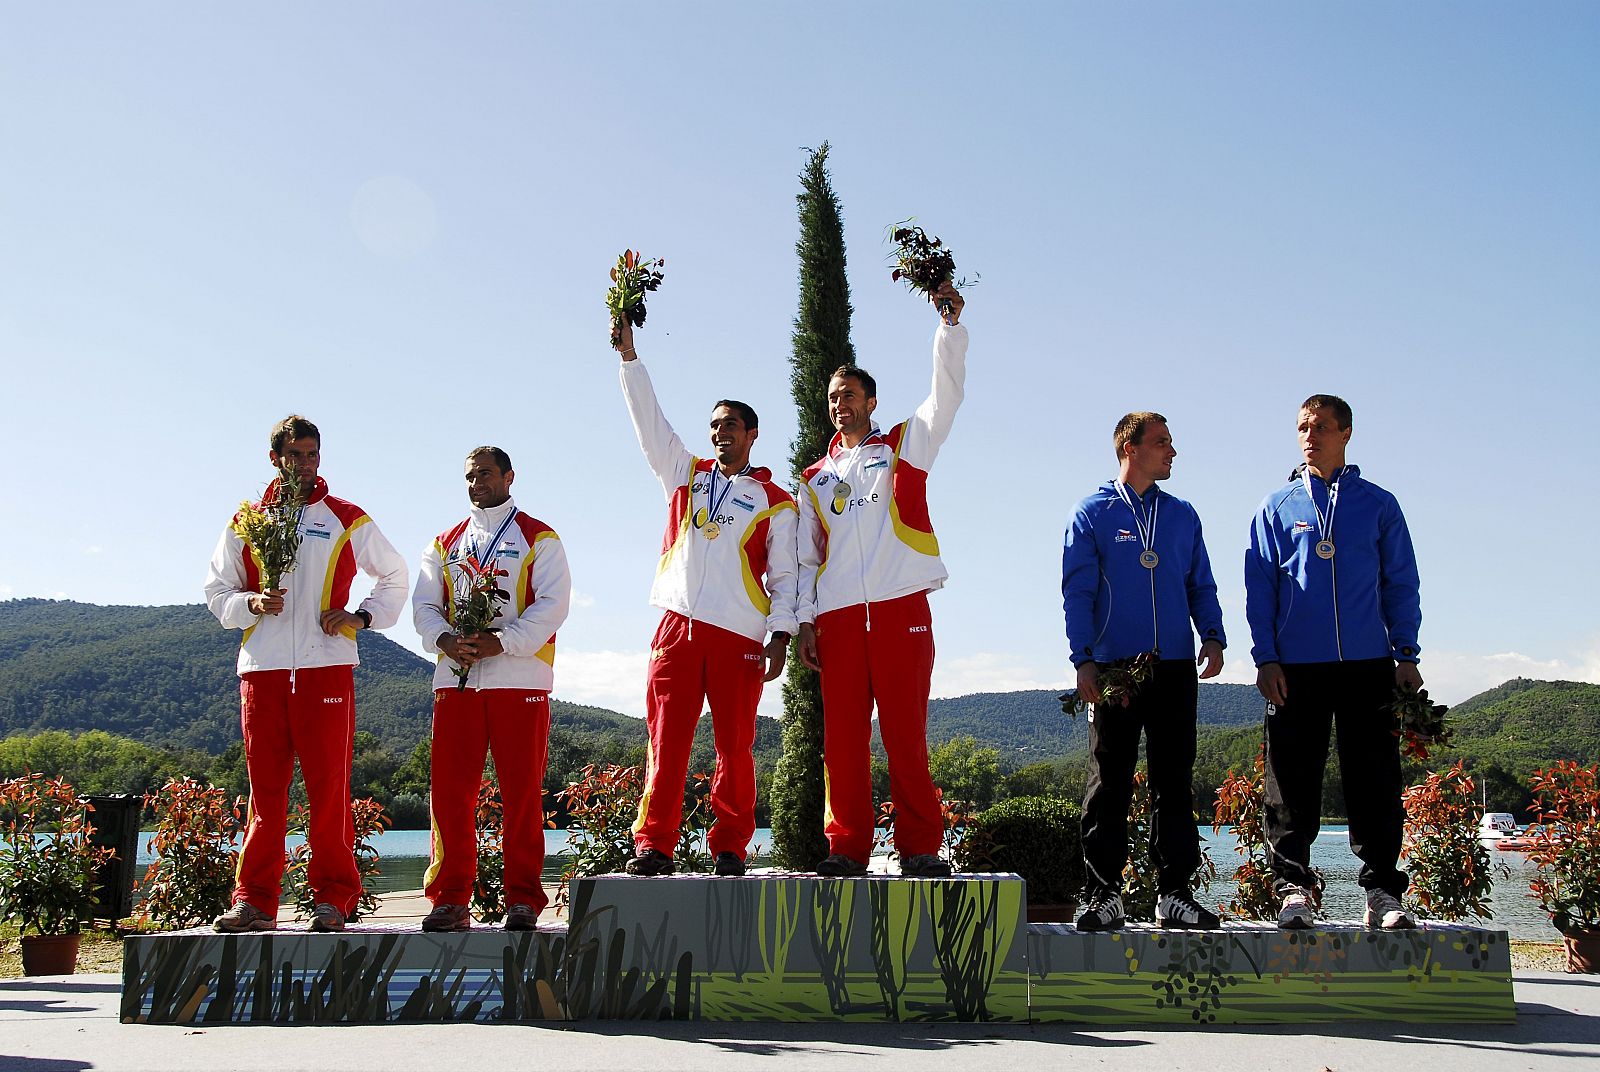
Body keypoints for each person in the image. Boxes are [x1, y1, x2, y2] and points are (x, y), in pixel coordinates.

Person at [204, 415, 408, 933]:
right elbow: (216, 592)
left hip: (326, 669)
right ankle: (254, 902)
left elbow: (395, 573)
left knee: (328, 789)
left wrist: (361, 617)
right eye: (294, 455)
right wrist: (252, 602)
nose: (304, 464)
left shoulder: (344, 517)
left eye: (312, 454)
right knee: (265, 793)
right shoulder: (248, 519)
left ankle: (333, 899)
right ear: (275, 458)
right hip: (263, 670)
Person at [613, 316, 798, 877]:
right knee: (665, 743)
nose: (720, 433)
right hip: (677, 629)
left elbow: (787, 576)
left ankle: (730, 847)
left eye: (732, 426)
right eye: (715, 425)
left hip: (739, 634)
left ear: (752, 434)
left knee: (734, 750)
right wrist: (629, 359)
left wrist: (781, 635)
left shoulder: (775, 500)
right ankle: (654, 845)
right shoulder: (684, 474)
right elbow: (651, 424)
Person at [796, 281, 967, 878]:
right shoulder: (813, 478)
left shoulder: (902, 446)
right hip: (840, 618)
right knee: (842, 742)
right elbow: (805, 559)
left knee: (904, 735)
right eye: (832, 397)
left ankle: (921, 846)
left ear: (871, 400)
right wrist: (805, 622)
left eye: (849, 394)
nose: (840, 403)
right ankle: (847, 847)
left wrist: (948, 329)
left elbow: (944, 400)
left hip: (901, 609)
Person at [1245, 394, 1422, 930]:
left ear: (1346, 433)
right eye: (1302, 426)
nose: (1309, 435)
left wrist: (1406, 653)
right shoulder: (1276, 507)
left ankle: (1381, 893)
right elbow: (1260, 593)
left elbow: (1401, 583)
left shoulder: (1379, 505)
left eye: (1320, 426)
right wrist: (1266, 657)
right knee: (1291, 782)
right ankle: (1294, 889)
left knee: (1374, 779)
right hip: (1296, 668)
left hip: (1369, 662)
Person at [1062, 413, 1226, 930]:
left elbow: (1202, 582)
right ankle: (1102, 894)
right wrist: (1083, 657)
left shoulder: (1181, 515)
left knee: (1173, 783)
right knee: (1108, 781)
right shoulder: (1092, 512)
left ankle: (1173, 893)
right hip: (1115, 668)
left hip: (1175, 665)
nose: (1172, 452)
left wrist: (1213, 635)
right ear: (1129, 448)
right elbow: (1078, 591)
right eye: (1162, 443)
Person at [412, 446, 571, 931]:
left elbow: (553, 605)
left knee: (521, 796)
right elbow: (424, 604)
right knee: (450, 796)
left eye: (484, 473)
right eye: (468, 475)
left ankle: (523, 899)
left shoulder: (539, 538)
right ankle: (450, 899)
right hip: (455, 682)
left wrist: (501, 642)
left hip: (519, 682)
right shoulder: (444, 542)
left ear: (509, 477)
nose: (475, 482)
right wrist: (442, 638)